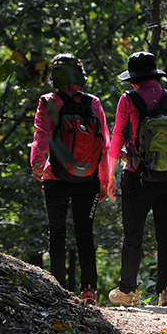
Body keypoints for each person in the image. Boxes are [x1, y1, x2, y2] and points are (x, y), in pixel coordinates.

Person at [30, 54, 111, 306]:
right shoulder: (93, 102)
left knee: (57, 233)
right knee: (85, 233)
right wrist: (105, 179)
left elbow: (42, 133)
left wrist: (36, 162)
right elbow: (105, 144)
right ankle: (89, 291)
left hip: (55, 175)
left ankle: (58, 289)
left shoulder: (49, 101)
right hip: (88, 178)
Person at [107, 51, 167, 307]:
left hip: (136, 176)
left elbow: (117, 137)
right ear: (154, 75)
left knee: (133, 236)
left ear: (133, 79)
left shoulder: (128, 100)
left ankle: (127, 291)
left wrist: (110, 174)